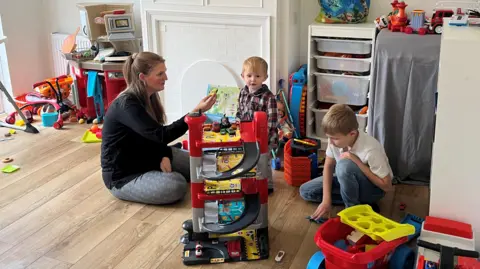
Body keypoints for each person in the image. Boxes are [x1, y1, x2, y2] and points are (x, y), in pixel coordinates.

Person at [101, 52, 216, 205]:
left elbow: (154, 136)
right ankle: (164, 175)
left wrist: (163, 155)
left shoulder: (149, 97)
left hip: (150, 156)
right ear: (142, 77)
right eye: (160, 74)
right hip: (125, 175)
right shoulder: (127, 105)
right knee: (177, 184)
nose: (166, 78)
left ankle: (164, 170)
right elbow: (162, 135)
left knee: (209, 165)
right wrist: (195, 113)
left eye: (165, 72)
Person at [299, 104, 393, 220]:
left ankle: (352, 211)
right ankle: (362, 205)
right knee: (306, 191)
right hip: (348, 180)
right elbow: (328, 166)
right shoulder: (334, 141)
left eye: (335, 138)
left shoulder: (371, 149)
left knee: (344, 165)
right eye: (329, 137)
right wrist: (326, 200)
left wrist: (357, 162)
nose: (331, 142)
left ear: (352, 134)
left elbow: (387, 186)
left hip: (373, 189)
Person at [236, 56, 278, 193]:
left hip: (265, 137)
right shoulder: (243, 92)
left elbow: (272, 121)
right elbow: (240, 111)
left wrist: (264, 138)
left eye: (257, 76)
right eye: (249, 75)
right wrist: (238, 123)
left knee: (263, 160)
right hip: (247, 135)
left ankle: (268, 185)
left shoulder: (268, 97)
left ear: (264, 77)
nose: (253, 79)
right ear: (243, 76)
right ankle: (249, 181)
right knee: (247, 157)